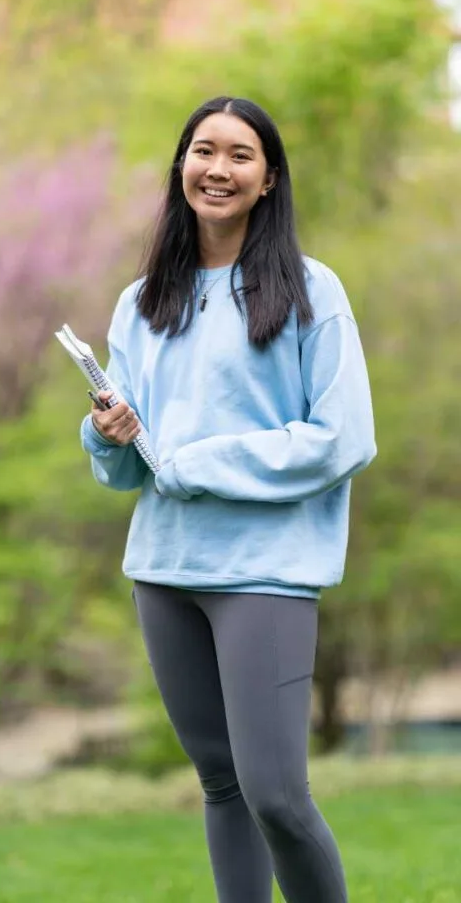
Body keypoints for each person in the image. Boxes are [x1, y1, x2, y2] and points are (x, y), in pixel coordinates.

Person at [80, 95, 376, 903]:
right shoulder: (142, 302)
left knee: (277, 795)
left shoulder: (313, 291)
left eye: (240, 155)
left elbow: (343, 438)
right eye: (203, 150)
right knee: (221, 785)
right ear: (181, 166)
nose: (218, 168)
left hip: (264, 574)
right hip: (165, 570)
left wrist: (203, 459)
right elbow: (135, 469)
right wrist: (108, 435)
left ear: (269, 179)